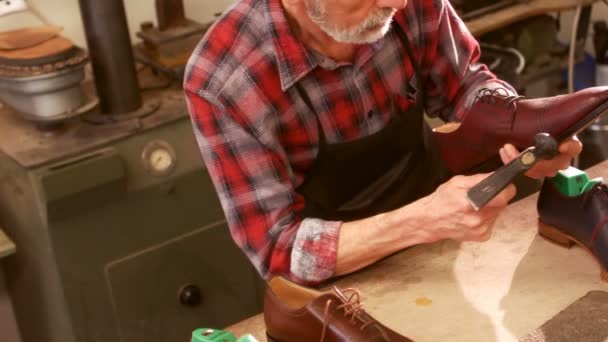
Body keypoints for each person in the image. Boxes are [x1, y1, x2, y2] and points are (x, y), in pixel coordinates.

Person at [184, 0, 582, 285]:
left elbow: (464, 84)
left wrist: (517, 131)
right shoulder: (226, 79)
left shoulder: (408, 4)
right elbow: (277, 249)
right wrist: (421, 221)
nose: (398, 3)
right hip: (335, 288)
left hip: (441, 247)